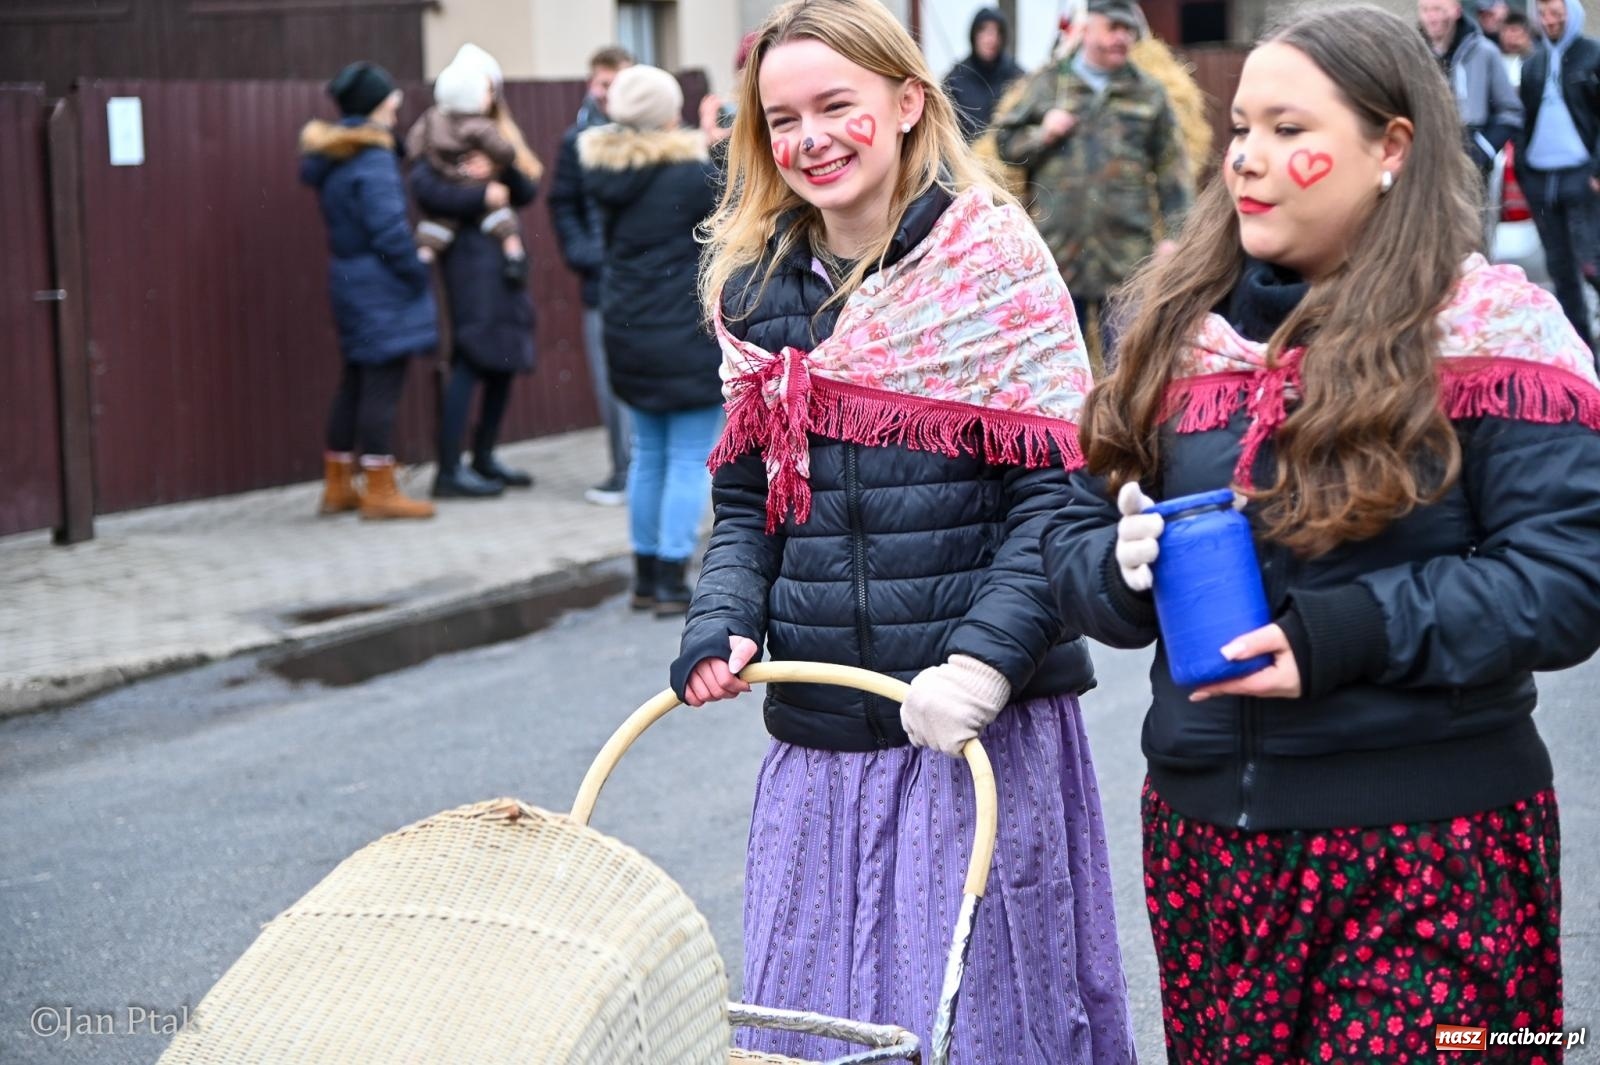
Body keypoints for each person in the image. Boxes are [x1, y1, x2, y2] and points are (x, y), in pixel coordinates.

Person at [1040, 6, 1600, 1061]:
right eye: (1242, 127)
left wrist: (1341, 635)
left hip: (1435, 846)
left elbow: (1566, 581)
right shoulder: (1170, 329)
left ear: (1391, 145)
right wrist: (1114, 569)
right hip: (1211, 849)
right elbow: (1073, 526)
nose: (1248, 159)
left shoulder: (1492, 332)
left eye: (1291, 130)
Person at [672, 1, 1135, 1061]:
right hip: (825, 738)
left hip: (977, 730)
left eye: (836, 105)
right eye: (782, 118)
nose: (811, 138)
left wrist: (982, 660)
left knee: (978, 1019)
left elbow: (1059, 498)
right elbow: (748, 504)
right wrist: (724, 618)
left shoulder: (993, 262)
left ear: (906, 102)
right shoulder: (754, 289)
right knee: (827, 1025)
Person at [579, 66, 724, 615]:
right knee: (688, 456)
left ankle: (643, 576)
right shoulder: (689, 174)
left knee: (648, 455)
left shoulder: (606, 173)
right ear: (666, 111)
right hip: (683, 331)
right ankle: (670, 576)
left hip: (628, 330)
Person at [993, 0, 1192, 373]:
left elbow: (1173, 170)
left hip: (1127, 254)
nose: (1121, 38)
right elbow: (1006, 145)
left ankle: (1120, 430)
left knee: (1128, 362)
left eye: (1128, 30)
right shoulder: (1051, 84)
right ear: (1087, 29)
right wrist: (1042, 132)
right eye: (1112, 28)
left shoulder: (1148, 93)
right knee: (1057, 364)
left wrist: (1176, 237)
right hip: (1060, 251)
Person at [299, 61, 437, 520]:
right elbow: (389, 230)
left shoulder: (337, 156)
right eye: (391, 96)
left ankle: (339, 485)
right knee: (382, 382)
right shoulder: (373, 156)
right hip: (380, 284)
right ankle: (380, 489)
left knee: (356, 380)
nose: (398, 102)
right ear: (377, 103)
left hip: (349, 278)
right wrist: (416, 269)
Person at [409, 45, 542, 499]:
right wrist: (479, 196)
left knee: (503, 360)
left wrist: (499, 171)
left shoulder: (495, 134)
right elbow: (425, 188)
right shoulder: (440, 128)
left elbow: (525, 188)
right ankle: (449, 469)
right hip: (468, 261)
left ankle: (483, 456)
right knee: (471, 357)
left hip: (503, 262)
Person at [548, 45, 636, 507]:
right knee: (609, 379)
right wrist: (586, 254)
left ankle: (650, 468)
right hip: (602, 280)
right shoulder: (574, 141)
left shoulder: (653, 134)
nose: (608, 94)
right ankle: (622, 471)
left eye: (617, 83)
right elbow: (561, 203)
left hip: (649, 281)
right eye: (603, 83)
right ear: (591, 84)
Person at [1516, 0, 1600, 350]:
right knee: (1560, 272)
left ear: (1571, 14)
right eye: (1544, 13)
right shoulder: (1532, 65)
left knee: (1591, 263)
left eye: (1556, 13)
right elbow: (1522, 120)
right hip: (1542, 181)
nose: (1550, 21)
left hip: (1583, 177)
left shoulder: (1592, 55)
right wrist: (1524, 173)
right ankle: (1581, 354)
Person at [406, 58, 531, 286]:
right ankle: (516, 256)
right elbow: (504, 151)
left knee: (434, 230)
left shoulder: (431, 121)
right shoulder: (480, 126)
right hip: (469, 250)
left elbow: (527, 189)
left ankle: (421, 262)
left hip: (452, 192)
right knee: (504, 223)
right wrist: (487, 188)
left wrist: (499, 169)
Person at [1418, 0, 1523, 177]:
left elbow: (1511, 111)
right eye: (1425, 10)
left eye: (1438, 9)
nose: (1431, 17)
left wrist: (1483, 149)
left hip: (1470, 163)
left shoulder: (1484, 52)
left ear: (1457, 11)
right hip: (1424, 162)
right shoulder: (1413, 54)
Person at [942, 6, 1025, 142]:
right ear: (974, 35)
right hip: (967, 156)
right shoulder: (955, 79)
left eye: (997, 32)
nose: (991, 39)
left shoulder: (1016, 76)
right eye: (984, 32)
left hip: (1007, 157)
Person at [1501, 10, 1536, 84]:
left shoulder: (1539, 62)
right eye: (1505, 31)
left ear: (1528, 34)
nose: (1510, 37)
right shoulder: (1497, 61)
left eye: (1514, 30)